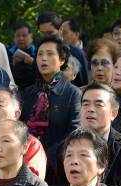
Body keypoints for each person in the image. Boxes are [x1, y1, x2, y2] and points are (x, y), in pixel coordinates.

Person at [21, 36, 81, 174]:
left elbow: (74, 132)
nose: (43, 58)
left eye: (49, 54)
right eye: (40, 54)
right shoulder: (27, 93)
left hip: (58, 166)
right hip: (26, 163)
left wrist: (46, 157)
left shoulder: (73, 93)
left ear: (62, 60)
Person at [36, 11, 89, 88]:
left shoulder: (77, 53)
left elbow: (84, 84)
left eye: (50, 33)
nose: (46, 37)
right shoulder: (38, 53)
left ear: (60, 29)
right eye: (43, 33)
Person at [6, 21, 36, 90]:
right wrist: (14, 64)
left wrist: (33, 63)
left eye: (24, 35)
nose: (21, 38)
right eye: (18, 36)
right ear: (14, 38)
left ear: (31, 37)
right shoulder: (8, 53)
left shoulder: (38, 52)